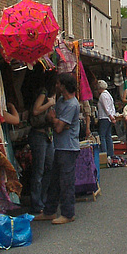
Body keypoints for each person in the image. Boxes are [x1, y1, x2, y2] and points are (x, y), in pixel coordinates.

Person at [34, 73, 80, 224]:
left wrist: (53, 119)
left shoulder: (72, 104)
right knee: (54, 181)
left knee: (66, 182)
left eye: (59, 84)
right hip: (59, 146)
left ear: (64, 86)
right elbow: (59, 123)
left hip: (68, 148)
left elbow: (59, 127)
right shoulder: (61, 101)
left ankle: (68, 213)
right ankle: (50, 211)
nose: (56, 86)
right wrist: (56, 120)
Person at [27, 82, 56, 215]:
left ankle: (43, 200)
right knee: (39, 170)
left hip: (47, 134)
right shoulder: (44, 92)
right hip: (39, 134)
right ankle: (37, 203)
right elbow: (36, 110)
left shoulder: (51, 94)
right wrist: (50, 103)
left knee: (49, 167)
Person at [95, 79, 116, 160]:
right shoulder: (108, 94)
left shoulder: (103, 96)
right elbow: (111, 106)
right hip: (109, 118)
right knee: (108, 136)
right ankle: (111, 153)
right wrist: (112, 116)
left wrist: (110, 116)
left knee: (103, 136)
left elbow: (106, 107)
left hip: (104, 117)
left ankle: (105, 153)